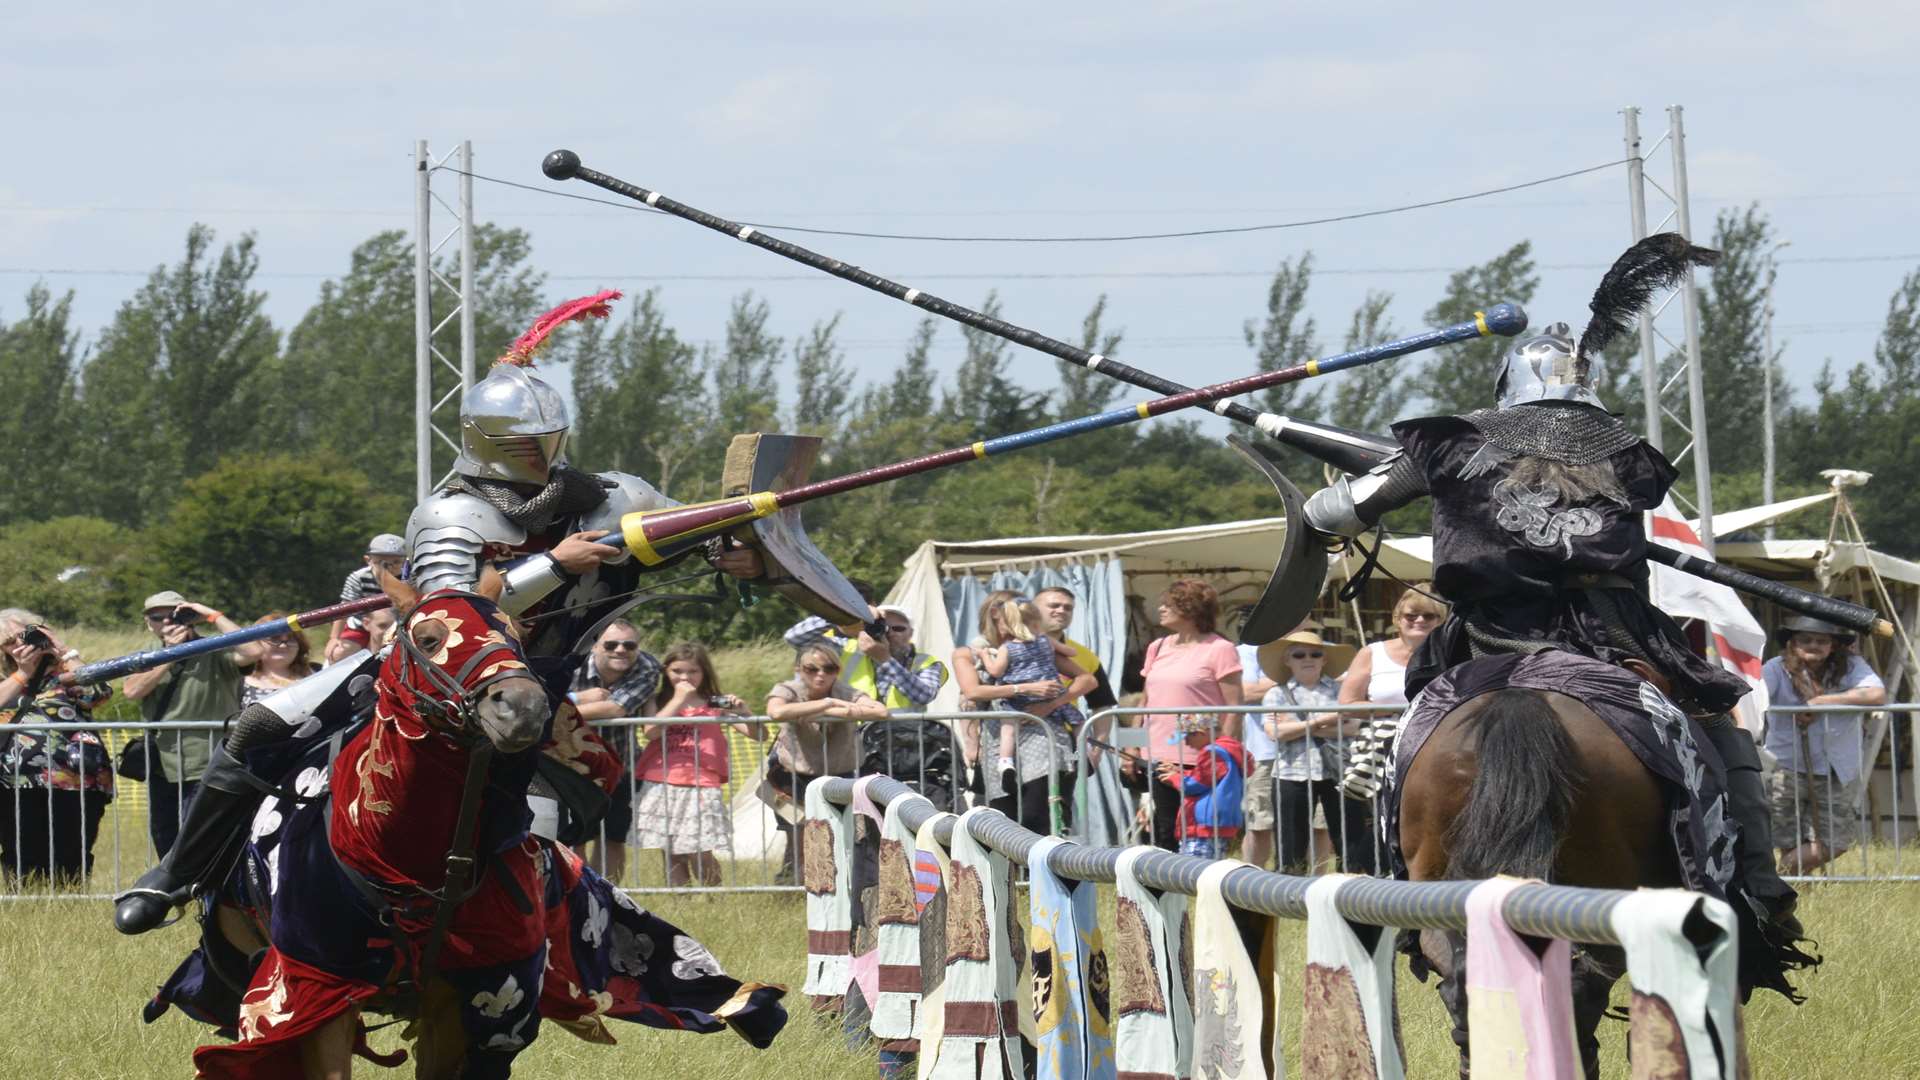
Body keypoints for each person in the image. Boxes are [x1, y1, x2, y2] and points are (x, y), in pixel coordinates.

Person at [113, 292, 778, 935]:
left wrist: (736, 556)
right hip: (437, 678)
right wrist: (556, 564)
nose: (538, 459)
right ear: (485, 440)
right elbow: (444, 618)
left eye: (545, 441)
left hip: (539, 685)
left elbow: (693, 536)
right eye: (522, 444)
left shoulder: (613, 498)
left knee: (540, 831)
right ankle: (177, 872)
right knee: (259, 725)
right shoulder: (451, 514)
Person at [1296, 234, 1801, 941]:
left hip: (1486, 636)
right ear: (1587, 391)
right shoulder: (1623, 452)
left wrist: (1344, 487)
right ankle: (1757, 886)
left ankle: (1395, 887)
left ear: (1507, 387)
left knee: (1416, 730)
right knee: (1718, 722)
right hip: (1610, 631)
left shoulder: (1451, 443)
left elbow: (1336, 513)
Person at [119, 591, 262, 860]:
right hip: (164, 761)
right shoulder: (146, 655)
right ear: (149, 623)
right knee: (166, 836)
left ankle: (210, 897)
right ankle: (174, 896)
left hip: (209, 759)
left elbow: (254, 651)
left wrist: (212, 614)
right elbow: (132, 691)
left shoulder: (215, 649)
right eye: (156, 617)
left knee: (203, 836)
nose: (167, 622)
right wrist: (170, 655)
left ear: (190, 618)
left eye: (175, 615)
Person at [1107, 579, 1243, 850]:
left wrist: (1221, 754)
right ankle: (1166, 891)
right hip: (1159, 756)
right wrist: (1131, 746)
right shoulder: (1158, 646)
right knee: (1164, 831)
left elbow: (1234, 707)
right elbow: (1144, 702)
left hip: (1200, 758)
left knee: (1200, 832)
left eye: (1168, 604)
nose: (1160, 609)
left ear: (1191, 609)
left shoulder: (1220, 649)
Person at [1762, 615, 1887, 875]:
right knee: (1789, 839)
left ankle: (1776, 876)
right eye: (1806, 639)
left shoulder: (1852, 665)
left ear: (1833, 645)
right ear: (1793, 643)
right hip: (1786, 765)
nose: (1814, 645)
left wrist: (1823, 702)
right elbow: (1756, 695)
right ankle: (1796, 892)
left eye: (1821, 640)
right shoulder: (1776, 667)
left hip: (1836, 768)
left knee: (1836, 842)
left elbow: (1876, 694)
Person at [0, 612, 114, 884]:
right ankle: (28, 908)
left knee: (71, 851)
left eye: (24, 635)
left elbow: (99, 693)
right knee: (22, 852)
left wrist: (63, 650)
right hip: (14, 780)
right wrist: (23, 673)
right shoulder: (5, 675)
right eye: (7, 641)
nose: (18, 644)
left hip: (74, 779)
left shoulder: (64, 671)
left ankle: (68, 905)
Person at [634, 643, 757, 886]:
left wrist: (745, 712)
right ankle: (680, 898)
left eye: (692, 671)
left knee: (700, 846)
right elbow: (651, 731)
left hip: (702, 781)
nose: (685, 677)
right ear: (666, 671)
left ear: (704, 673)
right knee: (670, 848)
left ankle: (715, 894)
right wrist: (678, 700)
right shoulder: (657, 700)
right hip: (661, 779)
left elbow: (757, 734)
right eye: (677, 671)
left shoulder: (714, 702)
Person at [763, 642, 887, 881]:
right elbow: (776, 712)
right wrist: (828, 704)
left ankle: (834, 886)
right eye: (812, 668)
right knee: (797, 836)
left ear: (837, 671)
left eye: (829, 668)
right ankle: (791, 888)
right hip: (788, 777)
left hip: (840, 777)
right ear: (798, 669)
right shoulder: (787, 688)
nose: (821, 674)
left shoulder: (845, 692)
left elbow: (880, 711)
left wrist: (834, 709)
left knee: (841, 836)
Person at [974, 593, 1096, 834]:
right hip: (998, 732)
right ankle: (1085, 754)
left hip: (1042, 731)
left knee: (1039, 813)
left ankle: (1083, 756)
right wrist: (1027, 687)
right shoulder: (969, 652)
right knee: (1003, 820)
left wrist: (1050, 704)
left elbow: (1088, 679)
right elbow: (973, 691)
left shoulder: (1014, 648)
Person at [1259, 628, 1373, 874]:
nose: (1307, 659)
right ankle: (1288, 896)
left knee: (1350, 839)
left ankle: (1353, 895)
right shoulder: (1275, 693)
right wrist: (1328, 720)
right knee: (1290, 844)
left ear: (1324, 659)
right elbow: (1274, 733)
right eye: (1299, 654)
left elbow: (1354, 727)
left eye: (1315, 653)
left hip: (1340, 771)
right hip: (1291, 773)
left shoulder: (1341, 690)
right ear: (1287, 661)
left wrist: (1298, 725)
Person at [566, 619, 663, 882]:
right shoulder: (570, 663)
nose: (621, 650)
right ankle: (578, 893)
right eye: (611, 644)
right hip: (571, 766)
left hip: (621, 765)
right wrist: (577, 699)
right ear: (595, 646)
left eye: (629, 645)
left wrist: (562, 709)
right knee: (573, 840)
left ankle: (609, 897)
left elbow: (617, 708)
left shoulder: (647, 666)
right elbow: (542, 700)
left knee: (613, 839)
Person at [1337, 586, 1447, 799]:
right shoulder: (1371, 653)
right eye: (1411, 615)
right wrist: (1398, 712)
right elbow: (1347, 704)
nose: (1419, 620)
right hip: (1382, 750)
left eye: (1429, 615)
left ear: (1440, 620)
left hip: (1434, 744)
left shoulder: (1450, 655)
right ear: (1397, 619)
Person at [784, 604, 948, 712]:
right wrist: (843, 614)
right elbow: (795, 638)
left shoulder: (926, 662)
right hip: (852, 740)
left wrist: (885, 660)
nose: (889, 633)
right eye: (883, 627)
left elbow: (924, 695)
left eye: (898, 628)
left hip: (903, 743)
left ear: (910, 633)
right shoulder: (845, 648)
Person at [1158, 715, 1245, 860]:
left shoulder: (1213, 753)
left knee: (1194, 870)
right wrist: (1180, 771)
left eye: (1187, 738)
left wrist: (1174, 778)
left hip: (1205, 826)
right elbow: (1207, 777)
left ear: (1201, 733)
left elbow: (1195, 784)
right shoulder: (1226, 751)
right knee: (1211, 869)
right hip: (1214, 824)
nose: (1186, 743)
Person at [322, 532, 406, 664]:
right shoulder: (359, 578)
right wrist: (334, 637)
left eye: (396, 562)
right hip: (360, 625)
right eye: (382, 562)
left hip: (399, 626)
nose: (389, 567)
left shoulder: (409, 579)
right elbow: (344, 608)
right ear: (368, 560)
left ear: (405, 562)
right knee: (339, 653)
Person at [1033, 586, 1119, 713]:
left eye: (1068, 608)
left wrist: (1101, 734)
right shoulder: (1011, 646)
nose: (1061, 610)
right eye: (1054, 605)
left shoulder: (1085, 655)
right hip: (1014, 727)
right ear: (1033, 610)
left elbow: (1102, 704)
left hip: (1067, 730)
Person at [242, 614, 319, 706]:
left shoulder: (318, 671)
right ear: (256, 642)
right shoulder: (238, 681)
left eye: (291, 639)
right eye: (274, 638)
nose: (283, 645)